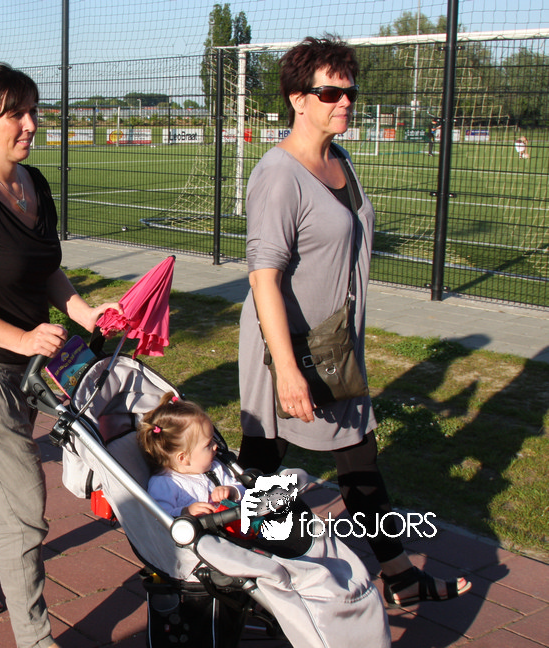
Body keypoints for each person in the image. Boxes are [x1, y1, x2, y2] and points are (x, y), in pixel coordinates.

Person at [236, 37, 470, 609]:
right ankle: (230, 568)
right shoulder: (279, 175)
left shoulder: (340, 160)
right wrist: (287, 371)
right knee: (262, 466)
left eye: (349, 92)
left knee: (357, 454)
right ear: (297, 98)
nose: (344, 101)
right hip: (286, 347)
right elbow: (263, 278)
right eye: (330, 92)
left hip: (336, 345)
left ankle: (398, 576)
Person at [0, 63, 117, 648]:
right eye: (16, 113)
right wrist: (21, 338)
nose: (31, 123)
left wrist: (83, 312)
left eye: (33, 110)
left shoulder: (33, 182)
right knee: (21, 510)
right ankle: (35, 639)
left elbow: (45, 268)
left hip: (27, 371)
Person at [138, 392, 244, 517]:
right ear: (183, 458)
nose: (216, 445)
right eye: (208, 444)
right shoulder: (164, 483)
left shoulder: (215, 469)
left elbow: (244, 490)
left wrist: (233, 491)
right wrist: (185, 512)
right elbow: (160, 517)